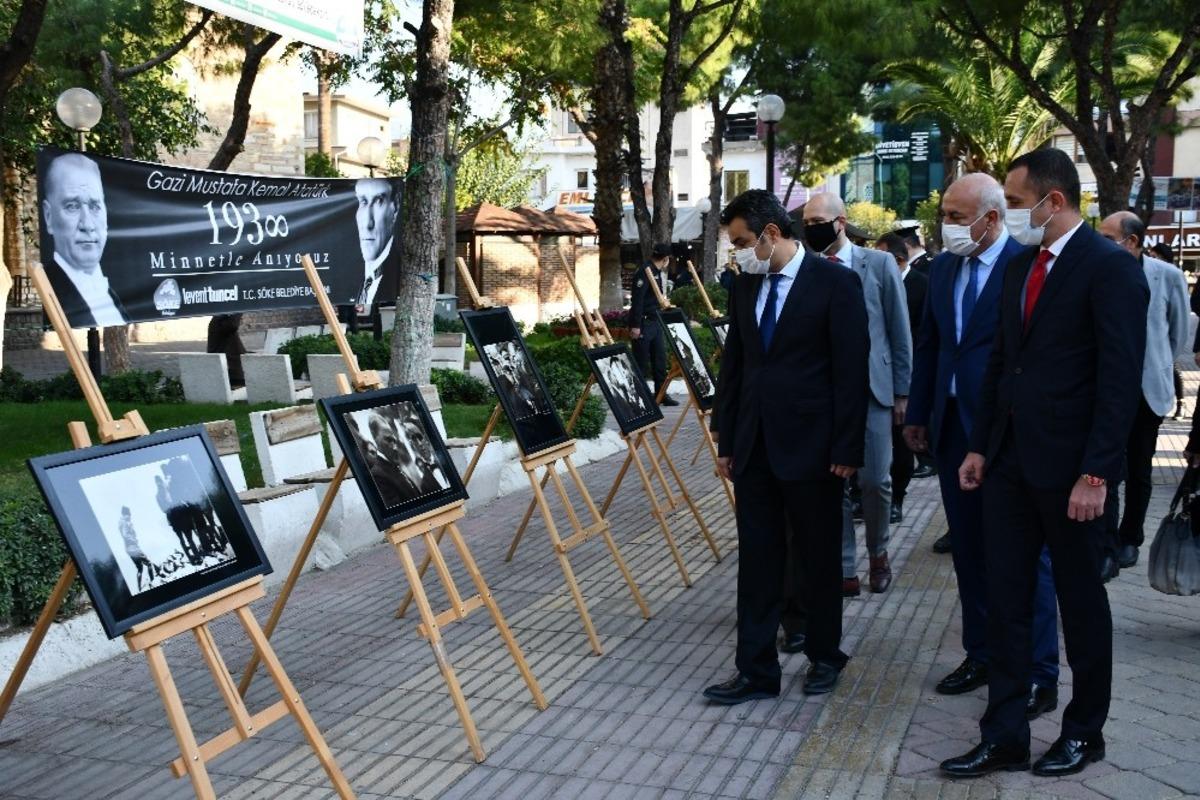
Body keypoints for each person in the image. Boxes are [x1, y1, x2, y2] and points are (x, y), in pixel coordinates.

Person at [943, 149, 1148, 779]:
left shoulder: (1109, 269)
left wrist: (1096, 475)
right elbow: (1004, 365)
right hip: (1008, 465)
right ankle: (1004, 732)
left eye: (1015, 198)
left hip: (1073, 475)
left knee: (1082, 605)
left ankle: (1084, 732)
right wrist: (979, 446)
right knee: (1006, 600)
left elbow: (1119, 384)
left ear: (1052, 201)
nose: (1008, 211)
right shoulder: (1019, 267)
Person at [904, 172, 1061, 716]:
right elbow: (931, 344)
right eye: (943, 215)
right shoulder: (944, 267)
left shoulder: (1025, 269)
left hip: (1006, 437)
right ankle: (982, 653)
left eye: (954, 216)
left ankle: (1040, 672)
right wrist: (919, 412)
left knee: (1025, 558)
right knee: (969, 551)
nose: (944, 226)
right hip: (951, 431)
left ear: (991, 218)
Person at [703, 189, 868, 704]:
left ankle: (824, 656)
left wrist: (847, 448)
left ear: (773, 234)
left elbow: (850, 371)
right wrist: (727, 439)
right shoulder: (746, 286)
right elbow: (737, 368)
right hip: (754, 449)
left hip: (816, 451)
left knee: (817, 560)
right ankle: (756, 670)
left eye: (742, 242)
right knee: (758, 562)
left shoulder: (836, 284)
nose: (738, 253)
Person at [802, 193, 912, 596]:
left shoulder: (879, 264)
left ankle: (878, 553)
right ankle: (845, 564)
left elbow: (899, 330)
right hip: (825, 394)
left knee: (875, 480)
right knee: (834, 483)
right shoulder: (809, 268)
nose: (811, 226)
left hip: (873, 391)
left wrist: (902, 391)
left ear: (841, 222)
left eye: (818, 219)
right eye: (807, 219)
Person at [1096, 212, 1189, 578]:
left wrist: (1154, 364)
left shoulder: (1166, 275)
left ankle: (1129, 537)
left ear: (1131, 241)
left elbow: (1177, 334)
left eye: (1107, 237)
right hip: (1108, 390)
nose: (1100, 242)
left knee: (1139, 468)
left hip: (1148, 390)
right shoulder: (1100, 272)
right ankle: (1105, 546)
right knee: (1107, 468)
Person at [41, 152, 128, 327]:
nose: (87, 224)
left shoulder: (114, 294)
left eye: (95, 206)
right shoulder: (49, 289)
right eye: (72, 206)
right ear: (48, 216)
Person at [876, 232, 927, 524]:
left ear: (896, 260)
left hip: (908, 379)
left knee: (901, 441)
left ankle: (897, 498)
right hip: (876, 378)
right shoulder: (875, 283)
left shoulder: (921, 285)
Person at [629, 243, 679, 406]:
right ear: (666, 259)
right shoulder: (645, 272)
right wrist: (635, 325)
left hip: (655, 321)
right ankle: (640, 398)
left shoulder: (655, 271)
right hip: (643, 322)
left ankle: (661, 394)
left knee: (660, 361)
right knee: (641, 362)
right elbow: (637, 300)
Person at [352, 178, 400, 311]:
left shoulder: (402, 274)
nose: (368, 224)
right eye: (363, 201)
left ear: (395, 207)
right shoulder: (351, 278)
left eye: (379, 201)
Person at [118, 506, 157, 591]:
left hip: (129, 549)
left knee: (140, 568)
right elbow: (125, 535)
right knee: (149, 563)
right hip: (133, 547)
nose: (130, 516)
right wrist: (134, 540)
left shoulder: (122, 523)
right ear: (125, 514)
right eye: (129, 514)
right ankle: (153, 581)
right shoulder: (124, 523)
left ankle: (139, 588)